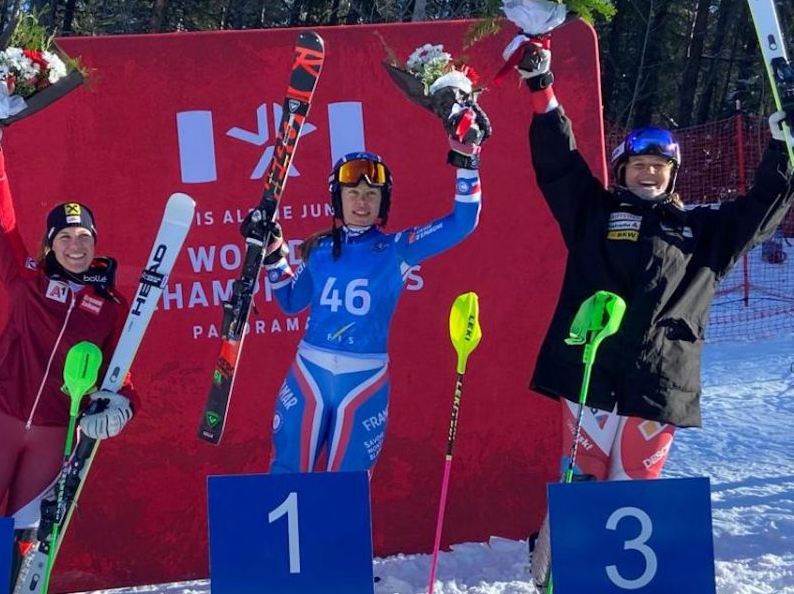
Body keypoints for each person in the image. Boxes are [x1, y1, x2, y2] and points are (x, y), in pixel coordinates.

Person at [501, 35, 794, 591]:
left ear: (673, 175)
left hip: (660, 383)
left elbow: (761, 210)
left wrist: (784, 148)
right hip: (591, 373)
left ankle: (623, 584)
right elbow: (559, 165)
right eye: (639, 164)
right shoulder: (595, 211)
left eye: (661, 166)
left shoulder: (703, 232)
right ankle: (555, 576)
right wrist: (543, 92)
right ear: (623, 168)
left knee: (635, 486)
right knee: (584, 481)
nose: (650, 173)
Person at [251, 82, 490, 474]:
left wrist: (468, 159)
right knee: (287, 473)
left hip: (364, 379)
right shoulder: (320, 249)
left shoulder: (398, 248)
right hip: (308, 371)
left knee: (346, 489)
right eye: (353, 193)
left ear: (383, 204)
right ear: (337, 199)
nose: (362, 202)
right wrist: (274, 255)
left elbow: (463, 222)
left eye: (372, 195)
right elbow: (292, 302)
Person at [0, 109, 138, 545]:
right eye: (66, 238)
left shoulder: (108, 305)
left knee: (25, 540)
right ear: (50, 244)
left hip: (55, 431)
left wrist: (125, 402)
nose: (76, 245)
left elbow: (118, 370)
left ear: (95, 244)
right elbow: (0, 220)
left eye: (85, 237)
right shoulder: (26, 278)